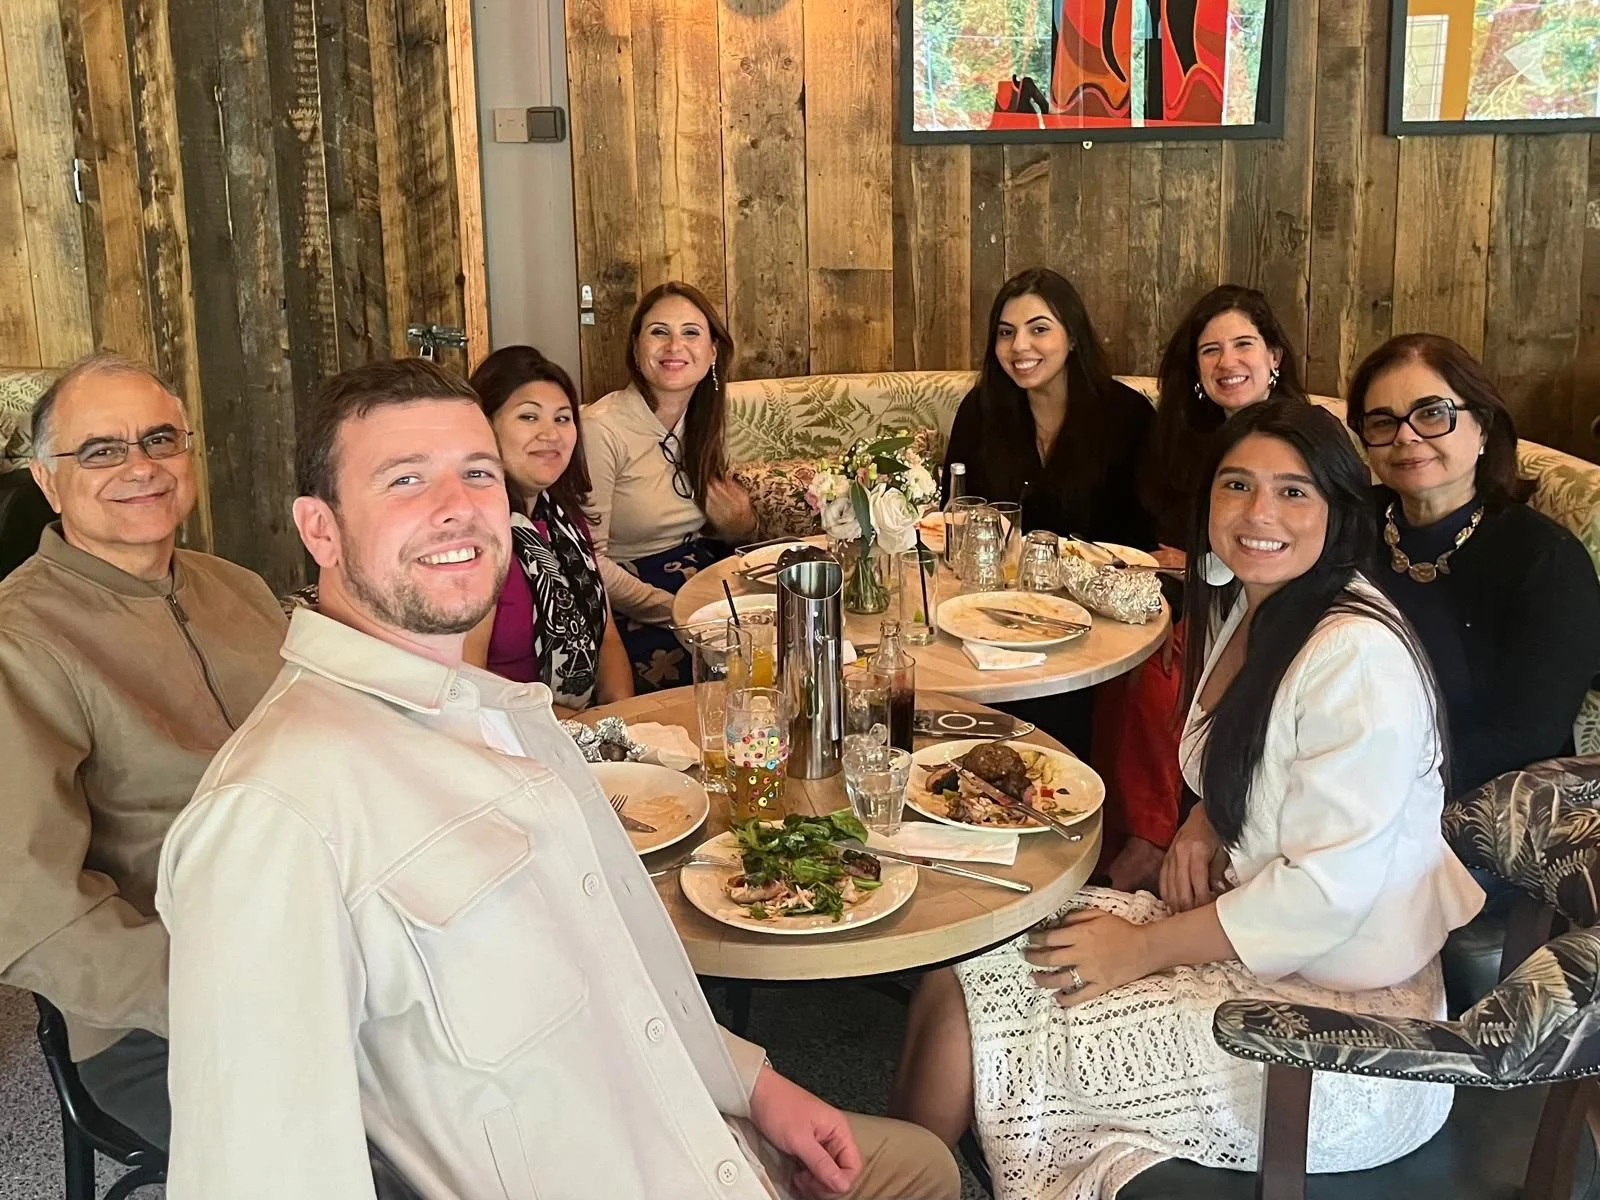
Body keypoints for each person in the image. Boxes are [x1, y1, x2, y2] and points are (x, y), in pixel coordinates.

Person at [156, 357, 960, 1200]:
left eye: (475, 472)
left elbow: (619, 971)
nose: (457, 507)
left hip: (698, 1131)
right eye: (404, 481)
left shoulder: (506, 715)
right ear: (320, 530)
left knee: (923, 1167)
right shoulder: (275, 814)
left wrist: (756, 1088)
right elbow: (257, 1173)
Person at [891, 398, 1483, 1199]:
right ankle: (896, 1180)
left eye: (1293, 491)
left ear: (1340, 508)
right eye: (1237, 485)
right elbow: (1269, 758)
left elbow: (1322, 896)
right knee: (955, 977)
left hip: (1336, 1035)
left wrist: (1137, 951)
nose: (1258, 513)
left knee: (980, 1022)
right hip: (1264, 941)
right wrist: (1208, 816)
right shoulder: (1254, 601)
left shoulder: (1356, 657)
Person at [0, 353, 285, 1150]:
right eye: (101, 450)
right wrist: (225, 994)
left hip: (324, 940)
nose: (141, 467)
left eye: (161, 439)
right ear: (48, 481)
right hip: (157, 1019)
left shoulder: (240, 590)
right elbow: (28, 909)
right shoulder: (21, 642)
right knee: (370, 1153)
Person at [1095, 286, 1307, 891]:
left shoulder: (1304, 436)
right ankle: (1114, 837)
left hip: (1278, 613)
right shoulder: (1186, 441)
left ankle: (1152, 841)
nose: (1226, 362)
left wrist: (1194, 571)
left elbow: (1288, 549)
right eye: (1209, 351)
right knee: (1124, 669)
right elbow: (1173, 550)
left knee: (1162, 681)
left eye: (1243, 344)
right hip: (1202, 605)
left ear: (1275, 358)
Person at [1346, 333, 1600, 796]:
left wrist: (1379, 785)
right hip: (1331, 772)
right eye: (1383, 421)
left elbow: (1526, 736)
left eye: (1432, 414)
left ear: (1482, 426)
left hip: (1471, 802)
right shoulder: (1345, 524)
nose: (1406, 435)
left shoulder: (1546, 562)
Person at [583, 282, 757, 690]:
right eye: (659, 331)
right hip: (632, 598)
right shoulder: (601, 428)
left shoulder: (705, 418)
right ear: (636, 347)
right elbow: (589, 560)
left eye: (691, 332)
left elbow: (728, 527)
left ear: (713, 351)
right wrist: (680, 611)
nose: (674, 345)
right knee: (728, 680)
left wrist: (741, 524)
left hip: (705, 579)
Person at [464, 345, 632, 713]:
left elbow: (607, 640)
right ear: (484, 426)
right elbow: (469, 686)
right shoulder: (473, 538)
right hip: (512, 743)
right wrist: (578, 731)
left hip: (590, 731)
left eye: (563, 418)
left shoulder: (563, 520)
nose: (551, 434)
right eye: (528, 417)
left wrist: (621, 719)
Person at [939, 267, 1156, 547]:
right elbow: (954, 516)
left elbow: (1150, 533)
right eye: (1006, 333)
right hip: (1000, 587)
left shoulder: (1130, 416)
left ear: (1073, 337)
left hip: (1103, 584)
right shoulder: (980, 409)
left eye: (1039, 329)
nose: (1019, 345)